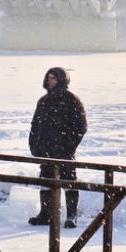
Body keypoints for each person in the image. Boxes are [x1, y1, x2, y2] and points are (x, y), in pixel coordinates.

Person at [28, 66, 87, 228]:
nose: (50, 81)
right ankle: (46, 214)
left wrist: (69, 146)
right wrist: (34, 146)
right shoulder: (43, 101)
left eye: (53, 78)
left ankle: (71, 216)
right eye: (48, 78)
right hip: (45, 150)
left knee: (69, 181)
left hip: (65, 151)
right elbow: (35, 125)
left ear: (62, 79)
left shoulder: (72, 100)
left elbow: (81, 127)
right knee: (45, 180)